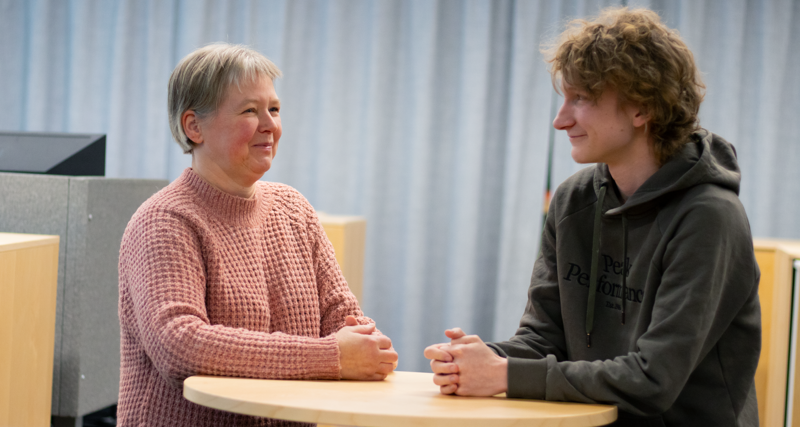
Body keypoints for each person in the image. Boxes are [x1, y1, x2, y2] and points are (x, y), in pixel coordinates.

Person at [424, 7, 760, 426]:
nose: (560, 120)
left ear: (641, 109)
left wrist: (504, 375)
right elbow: (544, 338)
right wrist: (480, 360)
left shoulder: (710, 217)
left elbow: (654, 379)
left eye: (581, 98)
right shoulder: (573, 201)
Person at [117, 43, 398, 427]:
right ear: (193, 126)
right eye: (250, 110)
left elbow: (343, 318)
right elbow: (180, 345)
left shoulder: (293, 208)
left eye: (275, 109)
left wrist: (368, 347)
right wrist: (332, 357)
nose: (270, 125)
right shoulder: (163, 221)